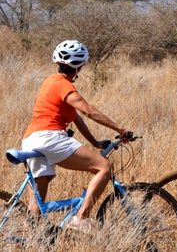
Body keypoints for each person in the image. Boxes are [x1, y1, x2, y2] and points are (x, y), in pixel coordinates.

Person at [22, 40, 132, 231]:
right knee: (104, 167)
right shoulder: (64, 85)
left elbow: (78, 118)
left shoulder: (50, 82)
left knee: (38, 202)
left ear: (58, 63)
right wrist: (120, 129)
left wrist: (95, 142)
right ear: (80, 67)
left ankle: (33, 238)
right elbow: (89, 111)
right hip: (50, 137)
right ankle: (81, 217)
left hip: (31, 139)